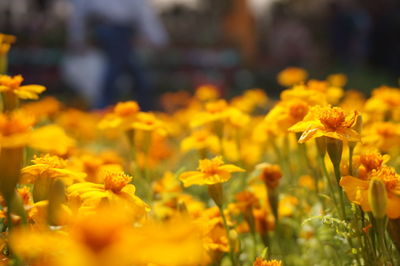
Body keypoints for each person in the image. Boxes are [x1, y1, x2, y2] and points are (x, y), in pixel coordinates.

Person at [68, 0, 168, 110]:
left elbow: (142, 11)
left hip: (123, 30)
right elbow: (81, 10)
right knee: (117, 69)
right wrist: (78, 38)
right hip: (108, 29)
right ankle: (105, 107)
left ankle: (105, 107)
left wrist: (158, 38)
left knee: (123, 69)